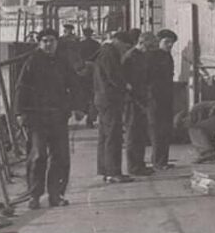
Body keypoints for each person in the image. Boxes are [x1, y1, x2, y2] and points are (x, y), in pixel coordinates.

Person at [14, 28, 77, 209]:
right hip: (36, 117)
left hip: (58, 115)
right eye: (45, 41)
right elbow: (21, 88)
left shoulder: (63, 62)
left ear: (57, 42)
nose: (48, 44)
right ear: (39, 43)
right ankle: (34, 195)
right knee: (37, 155)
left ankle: (55, 195)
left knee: (60, 156)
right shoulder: (32, 62)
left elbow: (74, 84)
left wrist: (79, 107)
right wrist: (20, 113)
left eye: (52, 40)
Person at [92, 31, 135, 183]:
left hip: (103, 98)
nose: (125, 49)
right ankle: (113, 172)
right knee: (113, 135)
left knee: (105, 135)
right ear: (117, 41)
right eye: (125, 45)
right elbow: (113, 76)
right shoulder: (109, 53)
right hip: (110, 98)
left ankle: (106, 170)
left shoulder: (104, 52)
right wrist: (126, 86)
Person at [122, 32, 156, 176]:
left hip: (142, 99)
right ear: (141, 43)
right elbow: (123, 79)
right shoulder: (130, 57)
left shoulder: (143, 56)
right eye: (148, 46)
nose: (149, 50)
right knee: (133, 133)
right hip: (131, 100)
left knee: (140, 133)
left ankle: (140, 164)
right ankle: (133, 166)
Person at [146, 29, 177, 169]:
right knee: (157, 131)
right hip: (154, 99)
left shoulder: (167, 56)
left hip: (166, 98)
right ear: (159, 42)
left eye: (172, 43)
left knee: (165, 130)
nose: (170, 45)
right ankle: (157, 162)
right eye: (166, 42)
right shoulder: (152, 56)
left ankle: (162, 160)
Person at [75, 27, 102, 127]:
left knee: (84, 95)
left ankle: (84, 113)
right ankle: (90, 118)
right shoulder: (96, 44)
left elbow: (77, 58)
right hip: (94, 71)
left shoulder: (80, 45)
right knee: (92, 95)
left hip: (82, 72)